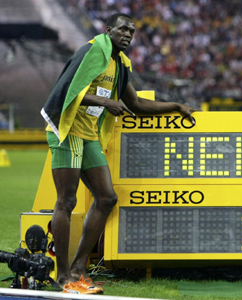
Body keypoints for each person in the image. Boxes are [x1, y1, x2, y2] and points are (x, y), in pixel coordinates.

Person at [40, 13, 198, 293]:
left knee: (106, 197)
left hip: (88, 135)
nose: (128, 34)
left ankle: (78, 270)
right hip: (67, 130)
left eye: (132, 31)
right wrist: (105, 100)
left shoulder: (119, 64)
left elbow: (136, 104)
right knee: (66, 200)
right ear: (109, 30)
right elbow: (65, 91)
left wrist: (175, 105)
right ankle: (62, 277)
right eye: (123, 29)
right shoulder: (91, 51)